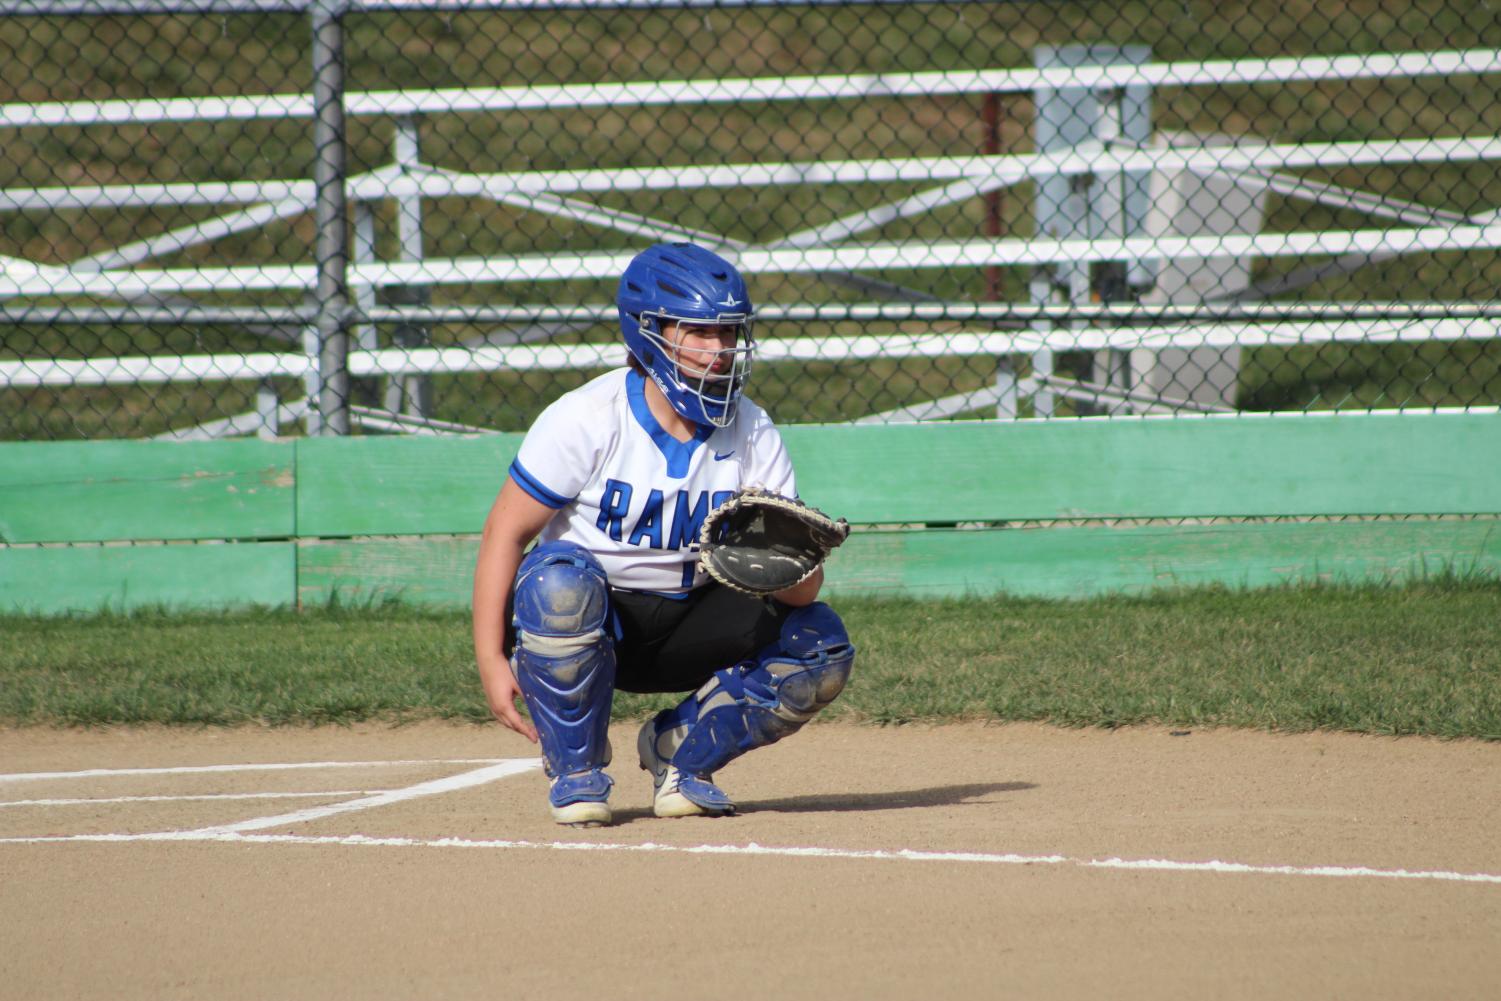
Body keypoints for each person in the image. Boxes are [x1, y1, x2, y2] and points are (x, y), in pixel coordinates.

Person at [472, 242, 855, 827]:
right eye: (699, 333)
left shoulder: (752, 431)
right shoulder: (588, 416)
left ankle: (682, 753)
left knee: (820, 646)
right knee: (559, 584)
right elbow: (504, 532)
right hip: (596, 627)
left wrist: (788, 559)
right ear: (648, 333)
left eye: (729, 334)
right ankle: (577, 771)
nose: (720, 350)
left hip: (694, 622)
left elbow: (800, 596)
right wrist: (491, 659)